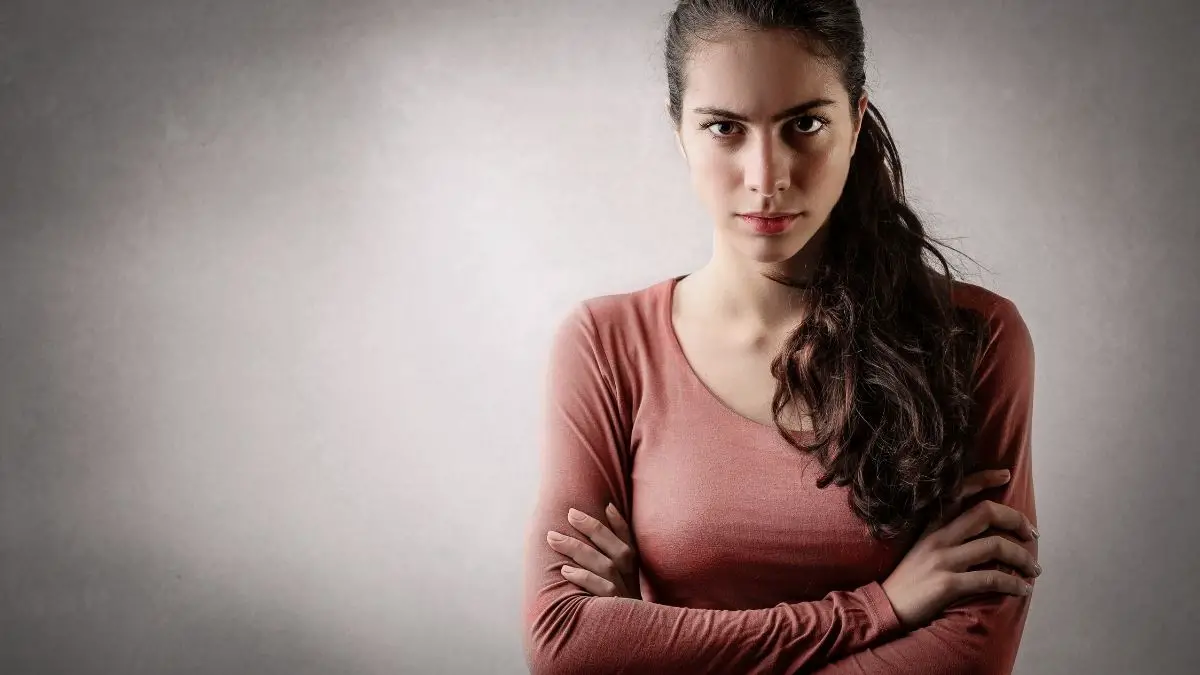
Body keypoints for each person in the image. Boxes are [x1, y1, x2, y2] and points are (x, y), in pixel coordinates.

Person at [521, 1, 1040, 673]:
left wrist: (658, 642)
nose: (767, 177)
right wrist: (878, 607)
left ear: (855, 123)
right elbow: (566, 645)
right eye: (724, 128)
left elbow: (969, 658)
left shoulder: (976, 338)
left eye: (805, 124)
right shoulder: (604, 345)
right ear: (680, 133)